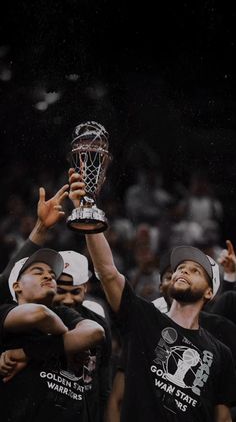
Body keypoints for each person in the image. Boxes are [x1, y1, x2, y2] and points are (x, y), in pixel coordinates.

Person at [69, 169, 236, 422]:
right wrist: (89, 213)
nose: (182, 271)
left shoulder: (221, 353)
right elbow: (108, 271)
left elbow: (222, 418)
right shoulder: (143, 318)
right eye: (180, 268)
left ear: (209, 292)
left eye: (194, 271)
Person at [0, 247, 105, 422]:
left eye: (51, 274)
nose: (49, 276)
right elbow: (39, 315)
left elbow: (95, 332)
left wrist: (28, 353)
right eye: (38, 272)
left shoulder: (65, 314)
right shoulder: (6, 311)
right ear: (17, 286)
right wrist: (68, 341)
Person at [53, 250, 112, 422]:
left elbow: (104, 384)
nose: (68, 299)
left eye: (75, 292)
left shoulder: (99, 323)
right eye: (61, 291)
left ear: (86, 288)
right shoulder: (37, 318)